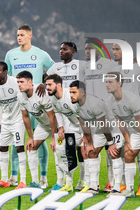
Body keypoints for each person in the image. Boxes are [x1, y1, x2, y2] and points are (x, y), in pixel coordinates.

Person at [4, 24, 54, 188]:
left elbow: (54, 71)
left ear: (30, 36)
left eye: (22, 35)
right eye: (18, 35)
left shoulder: (40, 54)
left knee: (39, 141)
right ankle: (13, 177)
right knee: (16, 140)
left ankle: (43, 177)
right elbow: (7, 77)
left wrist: (45, 84)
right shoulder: (11, 54)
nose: (19, 37)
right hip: (20, 102)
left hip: (38, 103)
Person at [104, 71, 140, 201]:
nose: (106, 85)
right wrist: (128, 141)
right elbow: (120, 122)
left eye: (110, 82)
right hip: (136, 129)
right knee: (129, 154)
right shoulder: (109, 101)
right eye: (106, 82)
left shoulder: (131, 99)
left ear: (119, 83)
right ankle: (129, 190)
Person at [69, 80, 124, 195]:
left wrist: (111, 143)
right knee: (91, 152)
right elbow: (84, 124)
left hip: (113, 128)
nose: (71, 95)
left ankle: (117, 188)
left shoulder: (94, 103)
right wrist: (89, 142)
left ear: (82, 93)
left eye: (74, 92)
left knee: (114, 154)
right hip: (99, 130)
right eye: (70, 92)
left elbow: (104, 125)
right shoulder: (74, 105)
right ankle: (93, 186)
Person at [46, 41, 87, 190]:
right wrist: (61, 128)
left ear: (73, 51)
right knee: (68, 152)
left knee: (85, 152)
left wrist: (85, 133)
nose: (61, 51)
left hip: (83, 123)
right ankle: (68, 184)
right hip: (70, 123)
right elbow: (58, 112)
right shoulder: (54, 96)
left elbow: (83, 114)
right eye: (60, 48)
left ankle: (86, 182)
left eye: (65, 49)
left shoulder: (73, 98)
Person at [111, 41, 140, 196]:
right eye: (113, 49)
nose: (114, 52)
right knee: (126, 149)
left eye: (117, 49)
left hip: (136, 113)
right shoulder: (114, 69)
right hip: (121, 113)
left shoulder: (138, 68)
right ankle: (125, 184)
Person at [84, 38, 118, 193]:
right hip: (92, 116)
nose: (87, 51)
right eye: (85, 49)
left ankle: (113, 183)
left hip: (110, 114)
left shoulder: (109, 64)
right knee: (93, 150)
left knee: (113, 152)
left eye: (91, 48)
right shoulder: (84, 67)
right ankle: (94, 184)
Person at [0, 61, 27, 189]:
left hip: (18, 121)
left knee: (19, 148)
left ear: (5, 72)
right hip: (5, 121)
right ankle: (4, 180)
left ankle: (23, 181)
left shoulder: (15, 83)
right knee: (3, 148)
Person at [16, 71, 57, 188]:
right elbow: (25, 116)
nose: (19, 85)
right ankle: (35, 182)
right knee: (31, 147)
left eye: (22, 82)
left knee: (58, 151)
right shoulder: (20, 96)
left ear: (30, 82)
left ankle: (62, 182)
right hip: (43, 125)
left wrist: (54, 137)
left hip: (57, 124)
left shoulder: (40, 92)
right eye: (18, 82)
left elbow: (52, 116)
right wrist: (30, 137)